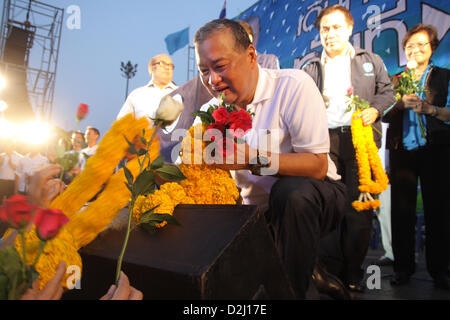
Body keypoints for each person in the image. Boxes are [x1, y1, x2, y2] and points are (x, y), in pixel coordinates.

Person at [192, 18, 347, 299]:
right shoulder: (209, 111)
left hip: (314, 198)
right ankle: (306, 265)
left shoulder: (292, 86)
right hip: (253, 214)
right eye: (204, 71)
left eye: (220, 66)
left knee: (291, 193)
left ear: (251, 55)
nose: (212, 80)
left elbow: (317, 165)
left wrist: (252, 159)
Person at [302, 4, 395, 292]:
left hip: (360, 142)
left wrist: (376, 111)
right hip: (324, 143)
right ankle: (330, 271)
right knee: (328, 205)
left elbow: (388, 92)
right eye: (324, 29)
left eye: (336, 27)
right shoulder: (310, 68)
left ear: (350, 29)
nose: (330, 34)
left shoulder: (370, 60)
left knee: (360, 208)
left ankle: (354, 271)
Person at [382, 24, 450, 290]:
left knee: (439, 211)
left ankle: (439, 270)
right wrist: (399, 102)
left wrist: (428, 108)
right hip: (402, 151)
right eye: (410, 45)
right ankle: (403, 268)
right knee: (401, 212)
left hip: (437, 150)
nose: (415, 49)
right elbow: (384, 112)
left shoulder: (444, 76)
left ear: (431, 48)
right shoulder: (395, 79)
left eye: (421, 44)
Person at [116, 54, 178, 121]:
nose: (167, 67)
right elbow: (121, 123)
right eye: (162, 64)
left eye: (171, 65)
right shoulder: (136, 95)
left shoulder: (183, 93)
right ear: (151, 68)